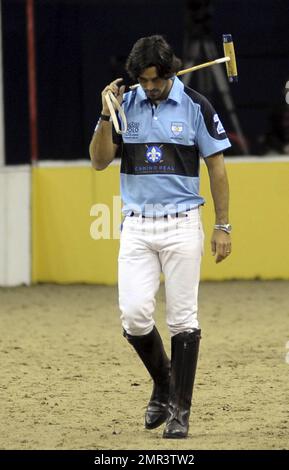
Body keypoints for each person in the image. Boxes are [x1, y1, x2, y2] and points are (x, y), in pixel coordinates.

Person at [89, 35, 232, 439]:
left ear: (171, 72)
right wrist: (104, 115)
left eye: (157, 80)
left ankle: (179, 412)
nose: (150, 87)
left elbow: (217, 169)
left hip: (183, 223)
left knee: (183, 319)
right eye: (144, 80)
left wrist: (223, 226)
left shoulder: (197, 106)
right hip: (136, 223)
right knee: (134, 317)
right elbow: (99, 162)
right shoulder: (124, 103)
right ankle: (165, 382)